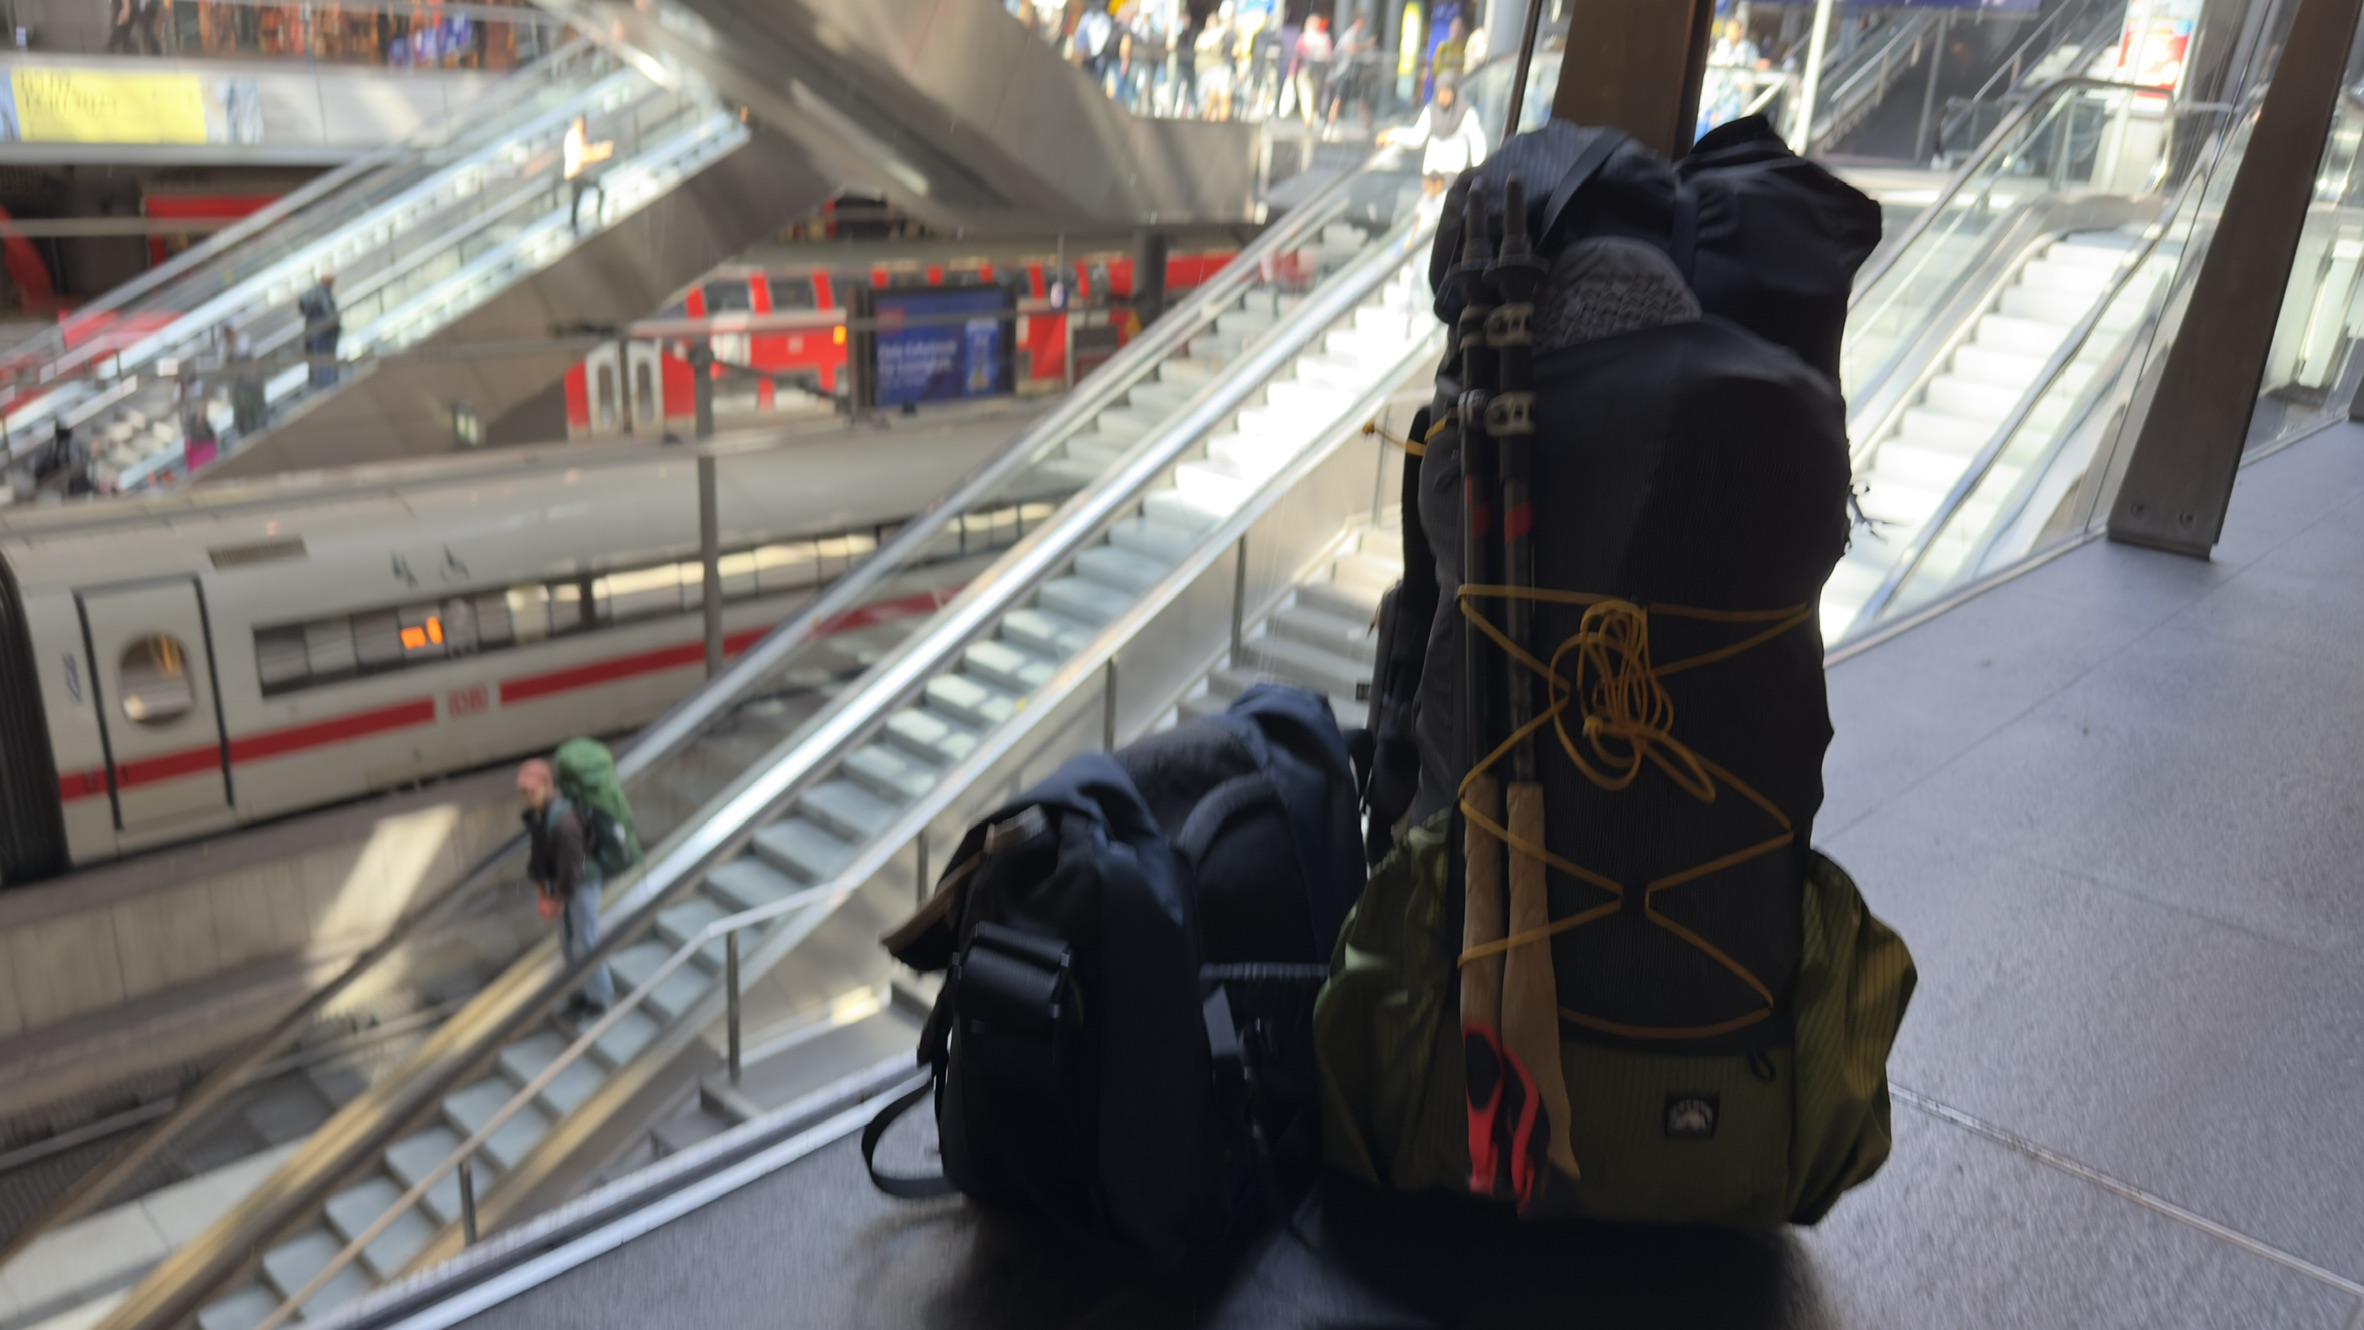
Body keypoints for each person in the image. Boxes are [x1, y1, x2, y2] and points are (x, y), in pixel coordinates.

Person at [520, 758, 615, 1018]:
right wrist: (546, 891)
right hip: (565, 885)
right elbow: (542, 859)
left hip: (581, 885)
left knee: (585, 942)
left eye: (532, 790)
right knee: (570, 943)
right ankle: (582, 992)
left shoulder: (565, 823)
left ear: (548, 786)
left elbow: (572, 868)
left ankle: (599, 998)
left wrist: (558, 900)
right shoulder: (541, 816)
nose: (527, 796)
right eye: (524, 791)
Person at [1380, 69, 1487, 195]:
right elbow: (1417, 137)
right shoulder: (1431, 110)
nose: (1443, 96)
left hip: (1453, 177)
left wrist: (1478, 172)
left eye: (1447, 91)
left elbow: (1477, 143)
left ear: (1454, 91)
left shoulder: (1466, 114)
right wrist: (1392, 134)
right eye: (1440, 92)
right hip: (1431, 178)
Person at [562, 116, 611, 234]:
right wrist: (600, 152)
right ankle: (598, 216)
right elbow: (582, 155)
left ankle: (573, 224)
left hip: (574, 174)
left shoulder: (574, 136)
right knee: (600, 189)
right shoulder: (575, 136)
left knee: (576, 199)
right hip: (576, 174)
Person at [297, 273, 340, 389]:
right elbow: (330, 315)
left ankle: (319, 384)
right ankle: (326, 384)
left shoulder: (312, 294)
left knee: (318, 361)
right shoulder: (322, 294)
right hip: (323, 336)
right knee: (325, 361)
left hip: (314, 335)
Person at [1292, 15, 1331, 127]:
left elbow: (1296, 56)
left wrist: (1292, 73)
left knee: (1306, 94)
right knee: (1315, 94)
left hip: (1306, 69)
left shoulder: (1304, 38)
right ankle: (1313, 116)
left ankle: (1309, 118)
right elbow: (1328, 57)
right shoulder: (1324, 38)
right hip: (1319, 70)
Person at [228, 326, 267, 437]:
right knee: (245, 407)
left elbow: (253, 358)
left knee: (255, 406)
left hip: (251, 382)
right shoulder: (228, 346)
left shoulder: (244, 340)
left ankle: (258, 427)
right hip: (242, 383)